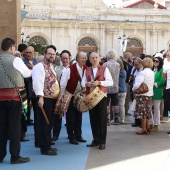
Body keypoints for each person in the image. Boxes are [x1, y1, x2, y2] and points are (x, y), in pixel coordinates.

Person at [0, 38, 31, 164]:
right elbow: (27, 74)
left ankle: (0, 155)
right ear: (12, 47)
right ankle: (15, 156)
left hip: (0, 99)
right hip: (14, 98)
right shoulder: (16, 60)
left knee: (1, 128)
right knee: (14, 128)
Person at [81, 52, 113, 150]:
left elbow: (110, 82)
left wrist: (100, 82)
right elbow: (82, 83)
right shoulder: (87, 70)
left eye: (96, 57)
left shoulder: (104, 69)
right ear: (89, 60)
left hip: (101, 97)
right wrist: (87, 84)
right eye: (92, 58)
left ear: (99, 58)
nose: (94, 59)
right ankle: (96, 140)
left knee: (102, 120)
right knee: (93, 119)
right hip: (91, 97)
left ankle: (102, 142)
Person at [32, 46, 60, 155]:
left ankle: (48, 143)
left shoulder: (51, 66)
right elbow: (37, 82)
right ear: (45, 54)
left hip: (52, 99)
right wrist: (40, 97)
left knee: (49, 123)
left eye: (53, 54)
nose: (52, 56)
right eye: (50, 54)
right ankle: (45, 148)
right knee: (44, 123)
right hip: (45, 99)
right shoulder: (40, 66)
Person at [60, 51, 87, 145]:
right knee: (70, 118)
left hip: (80, 97)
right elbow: (63, 83)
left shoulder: (86, 69)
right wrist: (63, 95)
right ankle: (71, 137)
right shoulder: (69, 69)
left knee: (79, 117)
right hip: (70, 96)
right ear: (77, 59)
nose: (84, 60)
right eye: (82, 58)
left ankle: (78, 136)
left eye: (85, 58)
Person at [51, 50, 71, 141]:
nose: (65, 60)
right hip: (58, 95)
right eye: (63, 58)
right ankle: (55, 134)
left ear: (69, 59)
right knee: (57, 116)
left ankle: (71, 135)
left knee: (71, 117)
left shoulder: (72, 69)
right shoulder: (56, 69)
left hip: (69, 95)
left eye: (66, 58)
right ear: (61, 59)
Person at [132, 57, 154, 135]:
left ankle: (143, 129)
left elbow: (137, 83)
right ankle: (147, 127)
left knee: (142, 112)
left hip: (142, 94)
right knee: (147, 111)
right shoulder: (152, 72)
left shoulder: (143, 72)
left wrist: (133, 88)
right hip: (149, 94)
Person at [103, 49, 120, 124]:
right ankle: (116, 118)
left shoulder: (105, 64)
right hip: (115, 86)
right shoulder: (118, 64)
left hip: (106, 86)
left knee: (106, 103)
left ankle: (107, 118)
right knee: (115, 103)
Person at [152, 57, 165, 131]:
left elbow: (162, 80)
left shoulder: (162, 71)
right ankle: (151, 123)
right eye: (154, 61)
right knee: (149, 108)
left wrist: (155, 84)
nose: (155, 62)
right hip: (150, 91)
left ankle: (156, 125)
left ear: (160, 62)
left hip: (157, 91)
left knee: (156, 109)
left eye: (156, 61)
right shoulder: (152, 70)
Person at [130, 57, 143, 127]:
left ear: (141, 64)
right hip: (135, 90)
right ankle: (137, 121)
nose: (135, 66)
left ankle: (141, 122)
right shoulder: (135, 69)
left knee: (141, 107)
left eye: (137, 64)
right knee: (135, 107)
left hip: (140, 90)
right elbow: (132, 77)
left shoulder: (143, 70)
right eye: (134, 64)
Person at [117, 57, 127, 124]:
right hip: (123, 90)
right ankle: (122, 119)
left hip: (116, 90)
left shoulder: (115, 73)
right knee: (122, 105)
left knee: (115, 105)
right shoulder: (124, 72)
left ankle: (116, 118)